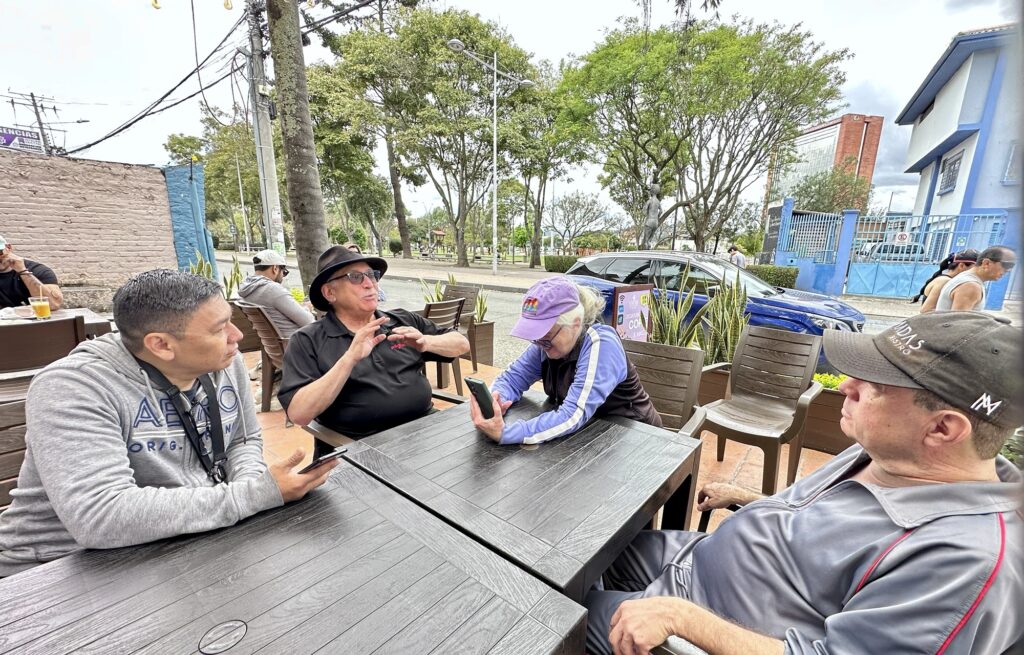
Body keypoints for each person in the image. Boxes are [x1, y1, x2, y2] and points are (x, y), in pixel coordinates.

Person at [585, 311, 1023, 655]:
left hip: (701, 614)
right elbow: (834, 531)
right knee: (585, 548)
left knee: (550, 608)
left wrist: (683, 618)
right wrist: (752, 498)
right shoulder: (890, 452)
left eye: (874, 385)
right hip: (694, 558)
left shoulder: (965, 563)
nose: (847, 385)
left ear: (943, 429)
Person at [0, 269, 334, 577]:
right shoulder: (74, 387)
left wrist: (249, 493)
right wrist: (249, 498)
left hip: (178, 543)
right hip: (58, 569)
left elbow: (241, 442)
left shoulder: (222, 361)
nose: (235, 336)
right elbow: (100, 516)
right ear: (160, 344)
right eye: (219, 329)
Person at [278, 246, 469, 458]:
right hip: (359, 447)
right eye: (355, 277)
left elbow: (461, 343)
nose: (370, 284)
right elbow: (299, 414)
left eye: (372, 275)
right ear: (330, 292)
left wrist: (426, 342)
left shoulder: (401, 320)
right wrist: (349, 359)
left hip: (425, 433)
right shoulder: (307, 340)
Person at [470, 278, 662, 445]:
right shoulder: (544, 345)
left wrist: (506, 433)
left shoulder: (601, 343)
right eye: (536, 337)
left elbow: (573, 414)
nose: (540, 344)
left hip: (634, 438)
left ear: (575, 323)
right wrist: (495, 403)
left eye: (546, 337)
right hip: (588, 435)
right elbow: (511, 379)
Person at [237, 249, 315, 338]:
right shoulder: (272, 289)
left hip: (276, 344)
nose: (283, 276)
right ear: (275, 268)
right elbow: (309, 321)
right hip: (298, 343)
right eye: (284, 272)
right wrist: (307, 308)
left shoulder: (246, 289)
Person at [934, 245, 1016, 312]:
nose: (1008, 270)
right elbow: (957, 326)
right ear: (986, 263)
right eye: (1007, 265)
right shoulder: (971, 286)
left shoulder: (968, 279)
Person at [0, 233, 63, 310]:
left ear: (8, 248)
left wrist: (23, 271)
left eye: (0, 252)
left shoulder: (38, 270)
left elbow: (53, 304)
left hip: (36, 320)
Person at [915, 249, 978, 313]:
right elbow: (926, 310)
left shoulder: (949, 280)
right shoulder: (944, 281)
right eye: (975, 268)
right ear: (961, 266)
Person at [641, 184, 661, 250]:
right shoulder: (658, 202)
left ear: (652, 191)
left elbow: (644, 211)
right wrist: (657, 217)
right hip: (655, 222)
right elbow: (661, 211)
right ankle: (649, 250)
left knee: (646, 241)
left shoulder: (649, 201)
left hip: (649, 221)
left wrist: (647, 214)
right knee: (650, 240)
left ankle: (646, 253)